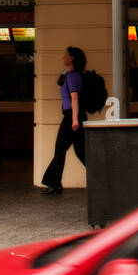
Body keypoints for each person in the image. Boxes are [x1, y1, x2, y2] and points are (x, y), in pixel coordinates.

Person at [41, 46, 88, 195]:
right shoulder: (70, 75)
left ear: (72, 58)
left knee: (60, 148)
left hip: (71, 116)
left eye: (66, 55)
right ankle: (102, 176)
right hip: (74, 116)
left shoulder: (74, 76)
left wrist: (74, 120)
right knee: (81, 151)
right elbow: (60, 83)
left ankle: (54, 182)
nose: (63, 57)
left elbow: (75, 98)